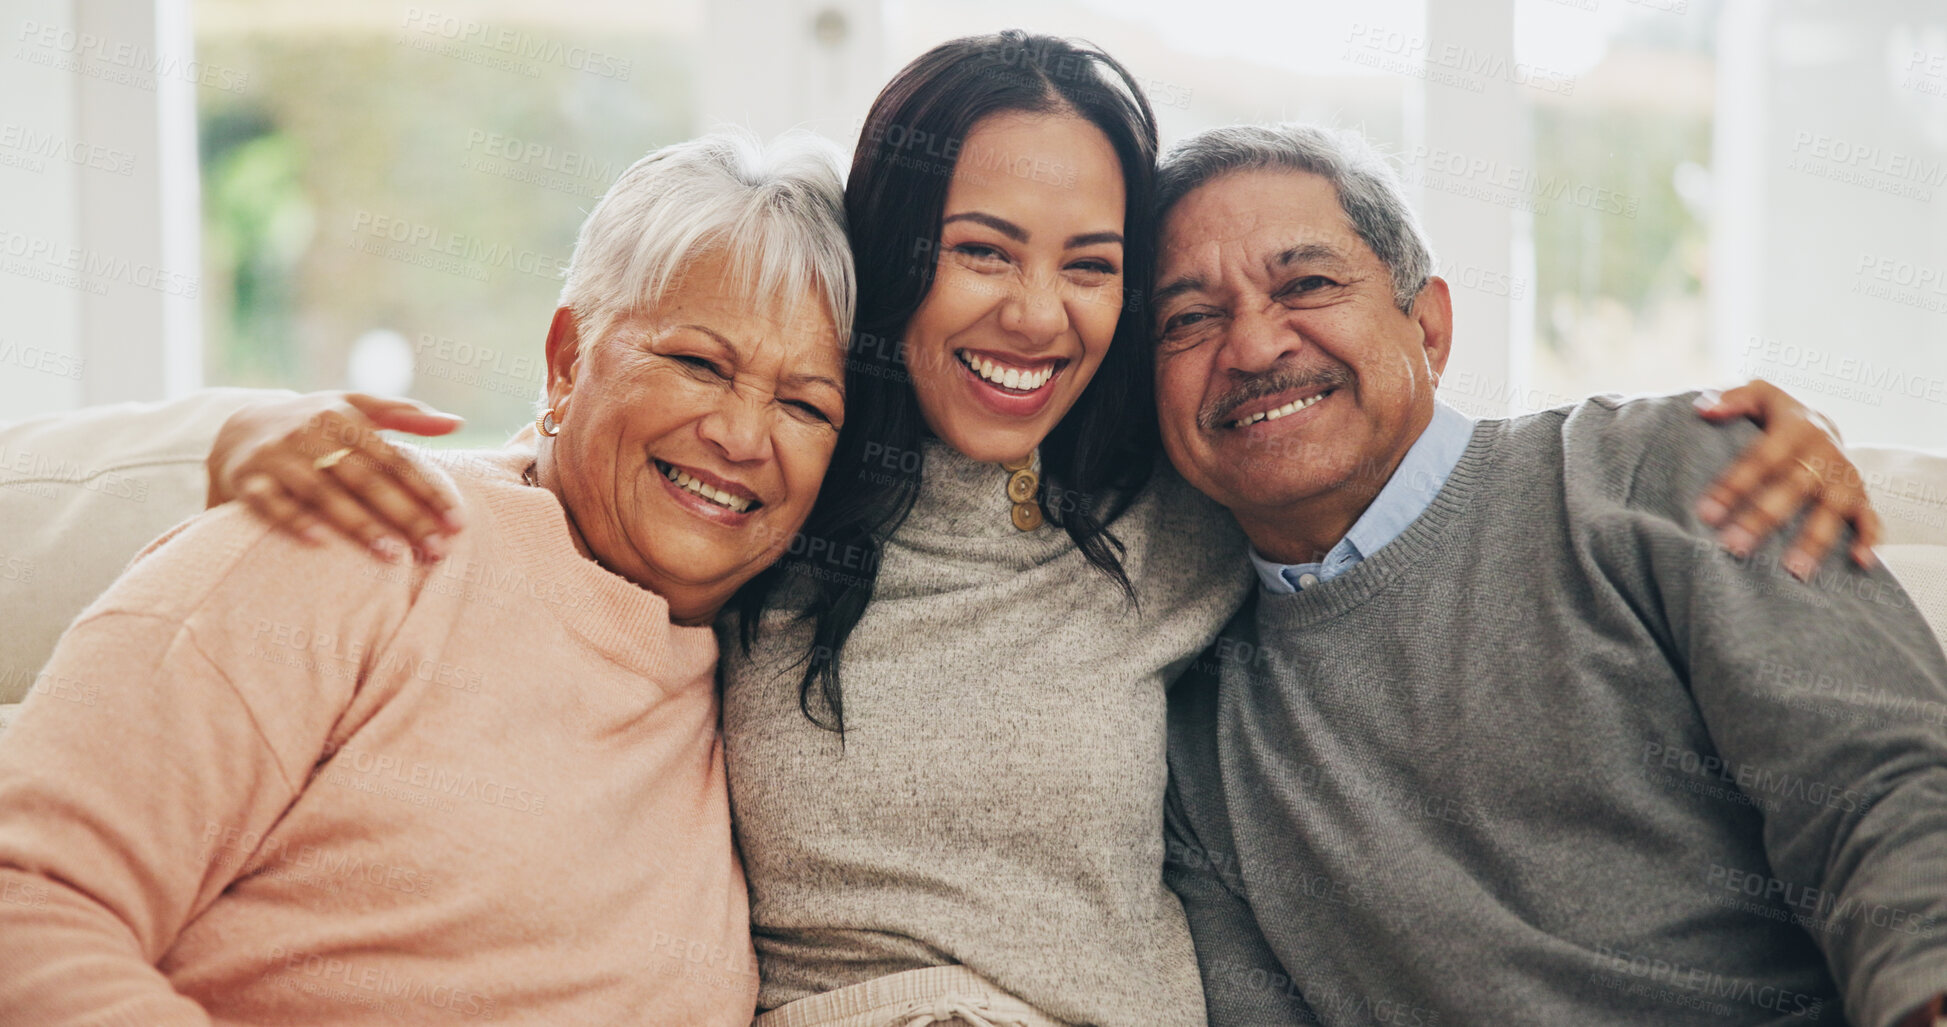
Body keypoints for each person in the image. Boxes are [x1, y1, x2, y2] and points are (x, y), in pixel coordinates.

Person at [180, 34, 1882, 1026]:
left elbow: (1377, 472)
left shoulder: (1178, 516)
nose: (1038, 313)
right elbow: (601, 480)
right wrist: (259, 444)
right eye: (984, 248)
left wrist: (1714, 444)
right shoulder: (777, 488)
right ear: (897, 251)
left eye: (1091, 265)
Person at [0, 130, 853, 1025]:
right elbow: (30, 897)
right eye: (697, 363)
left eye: (803, 404)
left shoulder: (778, 697)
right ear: (566, 361)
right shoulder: (354, 536)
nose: (744, 435)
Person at [1153, 122, 1947, 1027]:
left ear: (1429, 324)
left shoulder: (1668, 469)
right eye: (1188, 319)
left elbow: (1882, 794)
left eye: (1307, 284)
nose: (1253, 347)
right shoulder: (1189, 730)